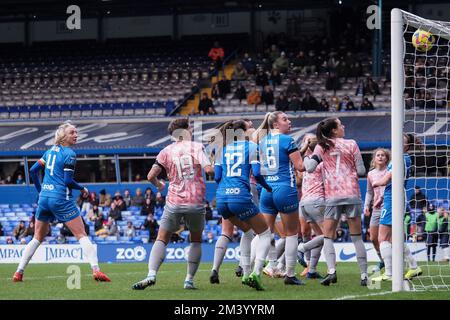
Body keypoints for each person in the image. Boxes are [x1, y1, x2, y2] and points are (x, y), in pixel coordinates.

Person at [13, 121, 110, 282]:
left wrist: (41, 190)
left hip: (44, 198)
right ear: (63, 136)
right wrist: (82, 189)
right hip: (60, 198)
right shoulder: (69, 153)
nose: (76, 135)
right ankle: (96, 270)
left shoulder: (49, 151)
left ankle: (19, 272)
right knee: (81, 234)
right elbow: (67, 181)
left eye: (76, 132)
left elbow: (33, 171)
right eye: (72, 132)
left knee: (37, 237)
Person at [132, 118, 214, 290]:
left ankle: (151, 275)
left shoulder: (166, 151)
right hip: (195, 201)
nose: (191, 131)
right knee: (196, 240)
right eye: (189, 128)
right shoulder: (196, 147)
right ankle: (189, 280)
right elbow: (209, 170)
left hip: (174, 201)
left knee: (162, 238)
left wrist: (159, 185)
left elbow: (150, 176)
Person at [304, 117, 368, 286]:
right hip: (352, 193)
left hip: (332, 196)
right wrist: (351, 169)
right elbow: (361, 171)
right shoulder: (352, 144)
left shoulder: (321, 146)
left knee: (327, 237)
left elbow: (310, 168)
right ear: (334, 130)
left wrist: (305, 157)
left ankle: (331, 272)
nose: (343, 126)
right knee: (356, 238)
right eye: (340, 125)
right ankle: (364, 276)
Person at [211, 119, 272, 290]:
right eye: (249, 128)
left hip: (222, 200)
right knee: (265, 233)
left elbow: (216, 177)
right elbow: (258, 174)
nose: (252, 130)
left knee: (247, 231)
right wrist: (268, 188)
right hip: (241, 197)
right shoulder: (252, 147)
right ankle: (256, 273)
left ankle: (245, 274)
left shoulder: (221, 149)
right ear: (242, 132)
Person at [256, 111, 305, 286]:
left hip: (266, 191)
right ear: (276, 124)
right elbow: (300, 166)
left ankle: (254, 269)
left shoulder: (262, 142)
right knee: (292, 234)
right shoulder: (288, 140)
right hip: (285, 189)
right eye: (285, 119)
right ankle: (290, 275)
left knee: (264, 234)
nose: (289, 121)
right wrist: (316, 158)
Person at [371, 133, 424, 282]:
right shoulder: (404, 158)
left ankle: (389, 273)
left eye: (402, 140)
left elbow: (389, 177)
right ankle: (414, 267)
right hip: (395, 197)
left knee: (383, 238)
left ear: (406, 146)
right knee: (395, 238)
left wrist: (377, 182)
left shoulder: (401, 158)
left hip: (393, 199)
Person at [297, 134, 325, 279]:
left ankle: (310, 268)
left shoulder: (318, 159)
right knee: (309, 233)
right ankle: (309, 263)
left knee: (319, 235)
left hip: (311, 200)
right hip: (308, 200)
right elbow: (298, 180)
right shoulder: (300, 161)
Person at [364, 148, 390, 272]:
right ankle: (384, 260)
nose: (380, 157)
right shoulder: (371, 174)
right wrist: (366, 205)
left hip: (388, 206)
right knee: (373, 238)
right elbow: (369, 192)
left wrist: (382, 198)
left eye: (383, 155)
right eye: (378, 155)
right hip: (376, 209)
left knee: (386, 238)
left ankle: (392, 263)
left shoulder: (390, 171)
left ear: (387, 158)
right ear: (374, 158)